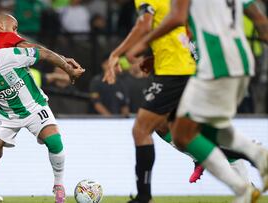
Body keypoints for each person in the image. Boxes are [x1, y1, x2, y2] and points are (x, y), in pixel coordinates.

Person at [129, 0, 268, 202]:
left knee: (185, 133)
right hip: (243, 62)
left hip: (214, 65)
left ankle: (251, 163)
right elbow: (260, 20)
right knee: (184, 129)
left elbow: (177, 17)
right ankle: (246, 180)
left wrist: (143, 42)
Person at [0, 13, 83, 203]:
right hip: (7, 114)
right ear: (7, 28)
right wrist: (67, 65)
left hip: (34, 106)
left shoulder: (0, 53)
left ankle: (58, 185)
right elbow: (39, 50)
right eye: (15, 29)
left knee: (53, 139)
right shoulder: (6, 37)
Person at [103, 0, 195, 202]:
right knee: (165, 127)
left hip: (174, 71)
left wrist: (116, 53)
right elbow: (181, 27)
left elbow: (144, 25)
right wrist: (155, 57)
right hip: (184, 66)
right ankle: (240, 162)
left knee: (141, 130)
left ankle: (144, 197)